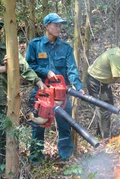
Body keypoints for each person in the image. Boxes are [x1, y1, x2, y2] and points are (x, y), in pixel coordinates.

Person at [0, 15, 47, 165]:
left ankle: (12, 163)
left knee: (12, 132)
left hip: (9, 97)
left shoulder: (7, 47)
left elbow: (23, 66)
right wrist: (5, 68)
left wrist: (38, 81)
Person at [25, 13, 85, 163]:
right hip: (42, 92)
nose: (59, 28)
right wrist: (46, 72)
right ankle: (36, 159)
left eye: (60, 25)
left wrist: (78, 86)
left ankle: (65, 157)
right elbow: (29, 66)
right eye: (56, 25)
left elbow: (71, 69)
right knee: (38, 125)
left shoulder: (65, 48)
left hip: (61, 94)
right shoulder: (35, 45)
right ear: (47, 26)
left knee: (65, 124)